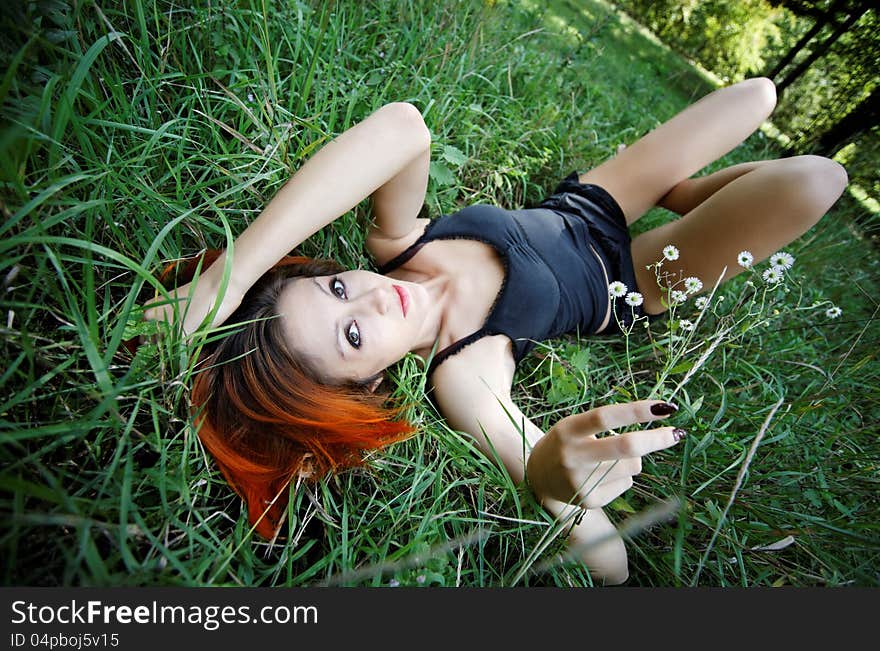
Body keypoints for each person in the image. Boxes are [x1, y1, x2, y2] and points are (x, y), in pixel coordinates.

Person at [142, 78, 847, 585]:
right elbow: (612, 562)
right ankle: (693, 207)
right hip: (632, 275)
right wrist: (547, 472)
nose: (369, 299)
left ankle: (687, 194)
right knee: (818, 180)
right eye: (353, 336)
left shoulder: (398, 243)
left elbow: (404, 127)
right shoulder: (465, 373)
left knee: (757, 95)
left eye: (334, 287)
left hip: (594, 197)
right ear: (369, 383)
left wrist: (226, 280)